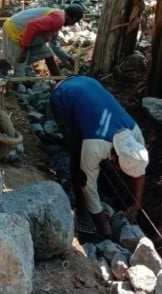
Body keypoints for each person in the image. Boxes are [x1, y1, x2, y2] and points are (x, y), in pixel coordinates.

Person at [50, 76, 149, 237]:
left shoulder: (136, 136)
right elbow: (87, 183)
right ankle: (81, 210)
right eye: (118, 166)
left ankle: (100, 177)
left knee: (93, 159)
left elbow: (141, 170)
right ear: (115, 156)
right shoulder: (95, 144)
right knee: (77, 159)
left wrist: (136, 206)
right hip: (63, 95)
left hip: (88, 82)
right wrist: (102, 222)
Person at [1, 5, 84, 76]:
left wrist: (69, 59)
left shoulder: (59, 18)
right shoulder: (58, 20)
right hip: (15, 30)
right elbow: (31, 26)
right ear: (72, 19)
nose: (73, 24)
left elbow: (54, 46)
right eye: (74, 22)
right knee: (21, 62)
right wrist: (25, 50)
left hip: (27, 34)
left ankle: (59, 82)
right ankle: (16, 85)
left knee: (48, 54)